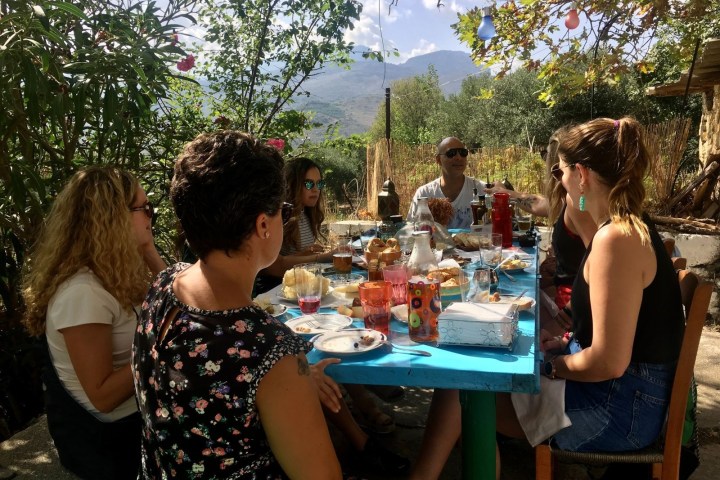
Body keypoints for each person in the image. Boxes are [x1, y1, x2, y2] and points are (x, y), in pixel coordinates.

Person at [409, 117, 686, 479]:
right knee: (472, 378)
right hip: (629, 393)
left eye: (562, 171)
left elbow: (609, 362)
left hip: (621, 409)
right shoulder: (624, 226)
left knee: (466, 388)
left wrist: (548, 368)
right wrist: (559, 342)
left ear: (582, 175)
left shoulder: (616, 240)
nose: (559, 180)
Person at [132, 131, 343, 478]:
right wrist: (293, 382)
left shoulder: (162, 286)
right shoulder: (269, 351)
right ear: (263, 224)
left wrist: (292, 385)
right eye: (282, 211)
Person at [22, 166, 166, 479]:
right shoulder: (83, 293)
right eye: (144, 208)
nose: (150, 215)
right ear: (114, 218)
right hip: (114, 441)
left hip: (136, 418)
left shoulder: (113, 271)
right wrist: (159, 344)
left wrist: (149, 250)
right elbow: (102, 396)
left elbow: (179, 303)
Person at [486, 130, 597, 333]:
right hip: (569, 295)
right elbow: (539, 204)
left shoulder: (579, 204)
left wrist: (563, 321)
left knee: (509, 324)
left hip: (573, 307)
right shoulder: (569, 200)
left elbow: (597, 265)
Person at [407, 137, 483, 229]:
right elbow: (411, 229)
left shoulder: (481, 190)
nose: (459, 158)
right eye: (451, 153)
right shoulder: (424, 194)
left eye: (463, 153)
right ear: (438, 160)